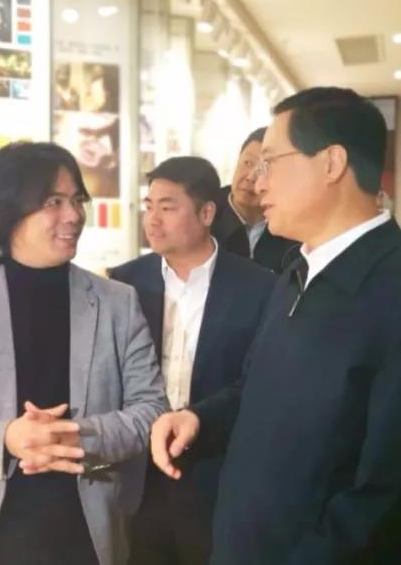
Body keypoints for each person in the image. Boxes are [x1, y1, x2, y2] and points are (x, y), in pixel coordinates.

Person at [150, 87, 401, 564]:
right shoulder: (297, 272)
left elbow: (392, 488)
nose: (256, 182)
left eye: (270, 162)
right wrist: (199, 420)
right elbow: (258, 390)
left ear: (332, 162)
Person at [0, 142, 168, 565]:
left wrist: (73, 437)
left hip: (88, 540)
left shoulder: (117, 301)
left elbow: (151, 411)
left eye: (77, 200)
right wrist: (7, 439)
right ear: (9, 211)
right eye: (53, 202)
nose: (73, 215)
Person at [109, 157, 276, 565]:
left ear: (206, 213)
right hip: (141, 474)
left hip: (217, 473)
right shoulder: (124, 282)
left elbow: (258, 381)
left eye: (167, 207)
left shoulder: (260, 286)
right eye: (149, 206)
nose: (152, 219)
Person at [210, 127, 298, 273]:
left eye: (265, 169)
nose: (251, 177)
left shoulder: (294, 228)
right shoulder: (203, 216)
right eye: (248, 163)